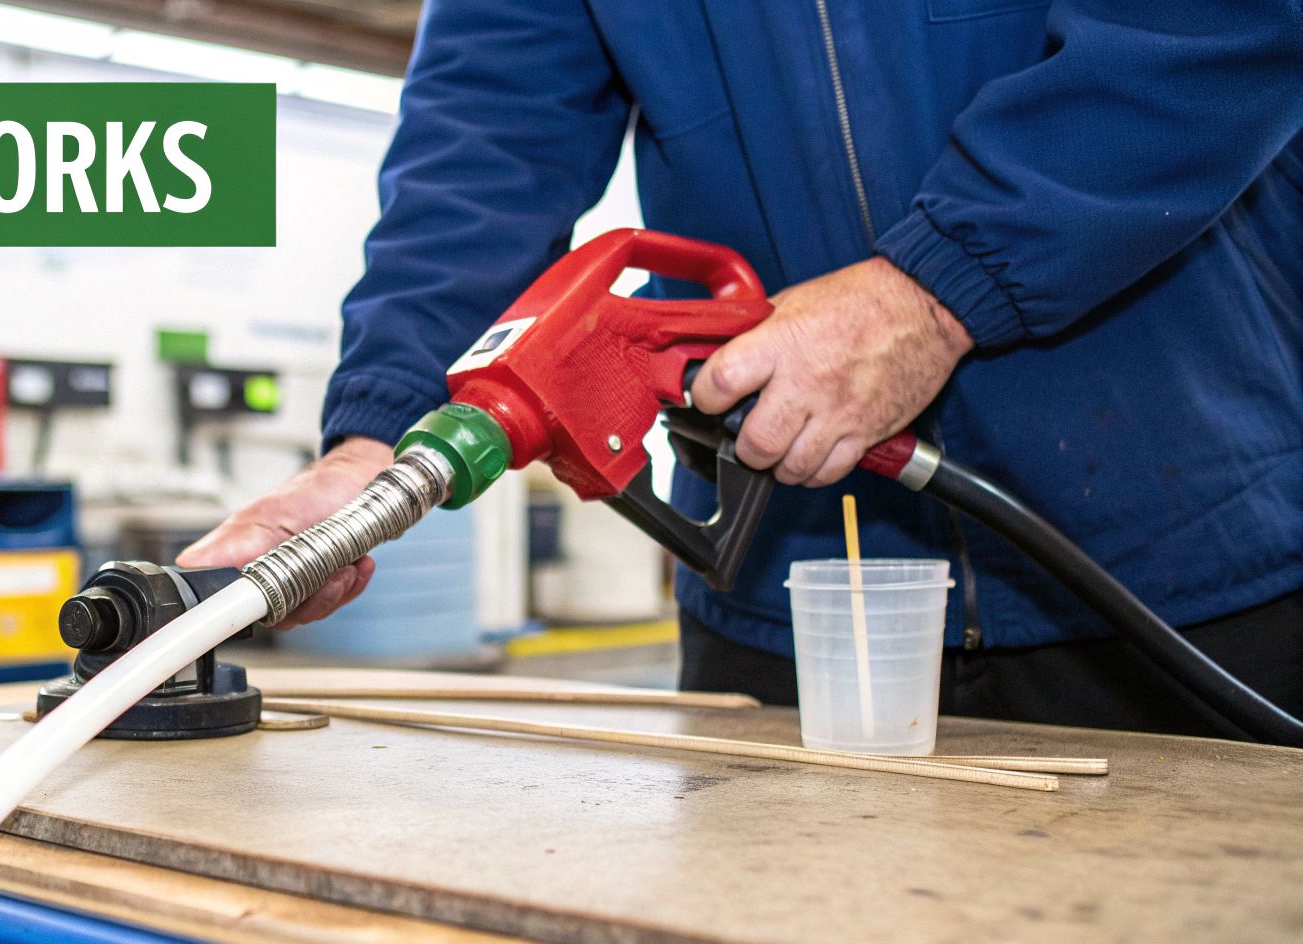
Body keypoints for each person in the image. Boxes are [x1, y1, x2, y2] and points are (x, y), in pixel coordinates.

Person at [183, 1, 1303, 740]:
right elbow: (489, 135)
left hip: (1186, 565)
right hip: (780, 584)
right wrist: (377, 432)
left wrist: (937, 288)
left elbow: (1209, 29)